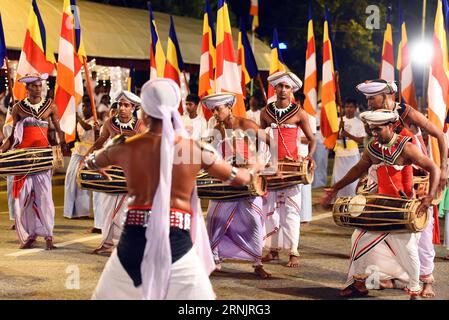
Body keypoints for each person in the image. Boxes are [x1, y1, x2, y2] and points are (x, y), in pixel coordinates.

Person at [90, 78, 265, 299]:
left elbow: (91, 162)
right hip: (177, 242)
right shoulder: (195, 150)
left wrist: (97, 167)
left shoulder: (124, 147)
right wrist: (255, 167)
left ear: (143, 113)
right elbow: (240, 178)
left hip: (132, 240)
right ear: (174, 110)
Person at [322, 109, 440, 299]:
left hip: (402, 210)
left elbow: (433, 168)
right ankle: (358, 283)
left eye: (378, 130)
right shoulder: (372, 148)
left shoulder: (406, 147)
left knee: (408, 253)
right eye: (371, 130)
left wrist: (428, 198)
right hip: (378, 208)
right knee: (358, 240)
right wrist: (335, 188)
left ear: (391, 126)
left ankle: (415, 289)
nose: (374, 134)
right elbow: (357, 169)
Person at [357, 79, 446, 297]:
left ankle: (426, 280)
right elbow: (373, 151)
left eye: (372, 98)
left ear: (387, 95)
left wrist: (442, 168)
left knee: (421, 227)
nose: (368, 102)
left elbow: (440, 135)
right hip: (386, 177)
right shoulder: (371, 119)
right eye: (367, 98)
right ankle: (387, 275)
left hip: (416, 176)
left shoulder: (406, 112)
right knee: (383, 225)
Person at [202, 92, 272, 278]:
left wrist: (263, 165)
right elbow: (211, 155)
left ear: (229, 107)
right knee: (214, 220)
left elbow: (269, 143)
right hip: (224, 183)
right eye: (213, 110)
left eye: (219, 109)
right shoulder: (216, 130)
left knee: (254, 222)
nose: (215, 113)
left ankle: (257, 263)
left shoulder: (245, 124)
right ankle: (213, 260)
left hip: (247, 183)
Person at [0, 73, 67, 250]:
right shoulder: (18, 108)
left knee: (45, 198)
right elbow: (14, 135)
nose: (38, 88)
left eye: (40, 85)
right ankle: (30, 235)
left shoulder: (50, 106)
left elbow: (59, 131)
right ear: (27, 88)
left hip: (43, 159)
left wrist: (61, 145)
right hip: (23, 159)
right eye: (35, 86)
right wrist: (2, 151)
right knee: (22, 199)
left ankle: (48, 235)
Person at [260, 71, 316, 268]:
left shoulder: (300, 113)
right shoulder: (265, 112)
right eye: (280, 86)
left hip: (292, 166)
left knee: (291, 210)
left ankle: (294, 251)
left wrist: (309, 156)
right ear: (274, 89)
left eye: (287, 87)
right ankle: (273, 250)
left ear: (292, 90)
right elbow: (261, 138)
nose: (283, 90)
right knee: (270, 210)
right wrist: (260, 161)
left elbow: (312, 139)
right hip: (272, 166)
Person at [86, 90, 146, 254]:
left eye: (126, 105)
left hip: (131, 174)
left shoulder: (140, 126)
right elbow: (100, 142)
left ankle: (124, 244)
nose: (122, 108)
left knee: (125, 211)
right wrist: (86, 158)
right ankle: (107, 243)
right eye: (120, 104)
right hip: (110, 173)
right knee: (107, 209)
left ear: (133, 108)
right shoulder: (109, 123)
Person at [63, 96, 97, 220]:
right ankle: (71, 211)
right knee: (70, 179)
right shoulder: (81, 120)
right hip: (77, 152)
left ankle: (83, 211)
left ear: (91, 108)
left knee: (82, 181)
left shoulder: (94, 120)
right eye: (83, 106)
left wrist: (77, 118)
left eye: (86, 106)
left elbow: (87, 128)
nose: (84, 108)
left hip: (87, 153)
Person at [331, 99, 366, 198]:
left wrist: (348, 135)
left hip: (352, 154)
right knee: (339, 177)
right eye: (346, 107)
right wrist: (338, 130)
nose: (348, 109)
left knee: (352, 178)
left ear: (355, 109)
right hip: (340, 153)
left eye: (351, 107)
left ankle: (352, 198)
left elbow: (362, 140)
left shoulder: (359, 123)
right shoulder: (338, 120)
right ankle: (337, 198)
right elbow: (332, 138)